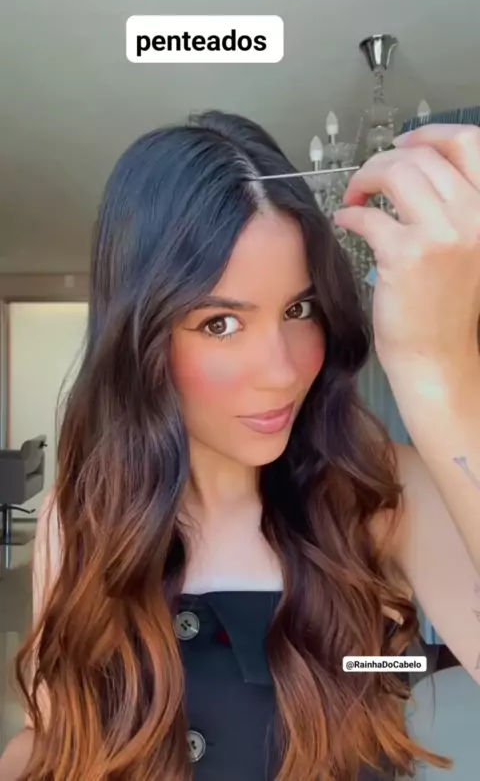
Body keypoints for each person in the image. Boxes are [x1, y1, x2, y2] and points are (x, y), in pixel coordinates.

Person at [1, 112, 479, 781]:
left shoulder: (379, 496)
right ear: (140, 341)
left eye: (299, 310)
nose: (283, 372)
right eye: (221, 323)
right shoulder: (79, 516)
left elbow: (393, 665)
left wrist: (441, 370)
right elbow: (50, 732)